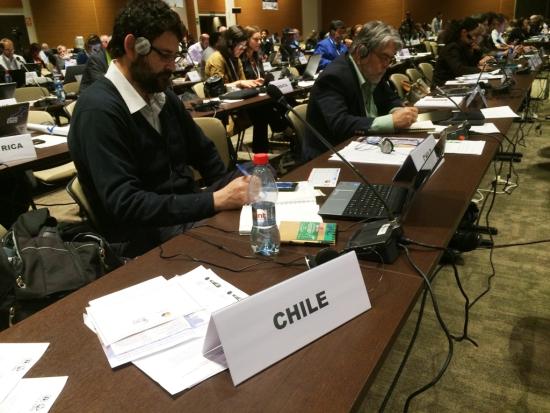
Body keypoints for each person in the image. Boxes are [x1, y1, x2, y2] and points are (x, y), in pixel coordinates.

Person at [68, 0, 250, 257]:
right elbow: (127, 204)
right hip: (146, 236)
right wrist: (215, 201)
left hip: (184, 215)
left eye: (174, 56)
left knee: (254, 177)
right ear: (132, 46)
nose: (172, 66)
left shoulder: (161, 96)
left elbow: (205, 154)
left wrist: (230, 189)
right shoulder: (98, 111)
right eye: (164, 56)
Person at [303, 21, 418, 161]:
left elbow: (390, 99)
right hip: (329, 158)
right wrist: (391, 121)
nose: (387, 65)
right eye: (384, 57)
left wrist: (398, 111)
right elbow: (341, 124)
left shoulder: (372, 70)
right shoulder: (333, 77)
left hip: (366, 148)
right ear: (361, 52)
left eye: (390, 59)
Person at [205, 26, 268, 152]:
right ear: (229, 44)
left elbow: (243, 82)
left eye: (245, 46)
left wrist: (252, 82)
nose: (243, 49)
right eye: (241, 45)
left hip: (237, 103)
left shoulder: (235, 59)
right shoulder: (217, 59)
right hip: (221, 108)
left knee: (263, 111)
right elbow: (217, 90)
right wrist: (240, 83)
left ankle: (260, 155)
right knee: (261, 113)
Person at [433, 18, 495, 86]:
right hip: (442, 87)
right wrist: (479, 69)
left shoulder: (463, 45)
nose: (474, 38)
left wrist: (477, 52)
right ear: (464, 32)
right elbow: (459, 70)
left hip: (456, 83)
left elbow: (471, 65)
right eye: (474, 35)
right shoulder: (452, 47)